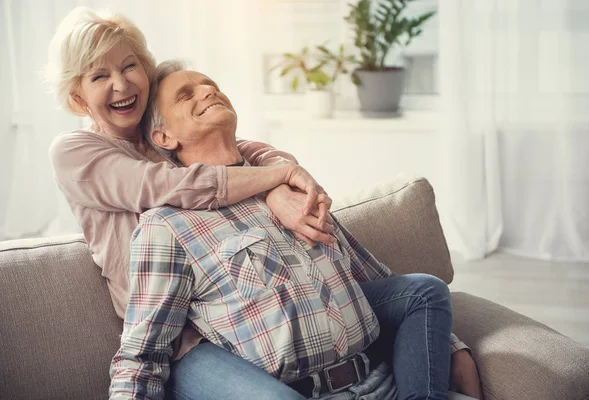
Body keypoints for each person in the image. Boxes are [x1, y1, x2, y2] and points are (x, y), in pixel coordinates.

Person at [109, 61, 483, 400]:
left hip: (381, 381)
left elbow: (370, 274)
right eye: (186, 95)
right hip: (294, 392)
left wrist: (449, 345)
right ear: (163, 138)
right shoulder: (168, 225)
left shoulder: (292, 192)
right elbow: (143, 353)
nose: (209, 91)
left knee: (427, 288)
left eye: (211, 85)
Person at [46, 7, 338, 398]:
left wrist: (277, 183)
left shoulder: (162, 136)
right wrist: (275, 179)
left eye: (129, 66)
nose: (120, 83)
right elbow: (170, 186)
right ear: (78, 97)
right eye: (100, 76)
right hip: (182, 341)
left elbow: (244, 150)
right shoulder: (76, 151)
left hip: (240, 314)